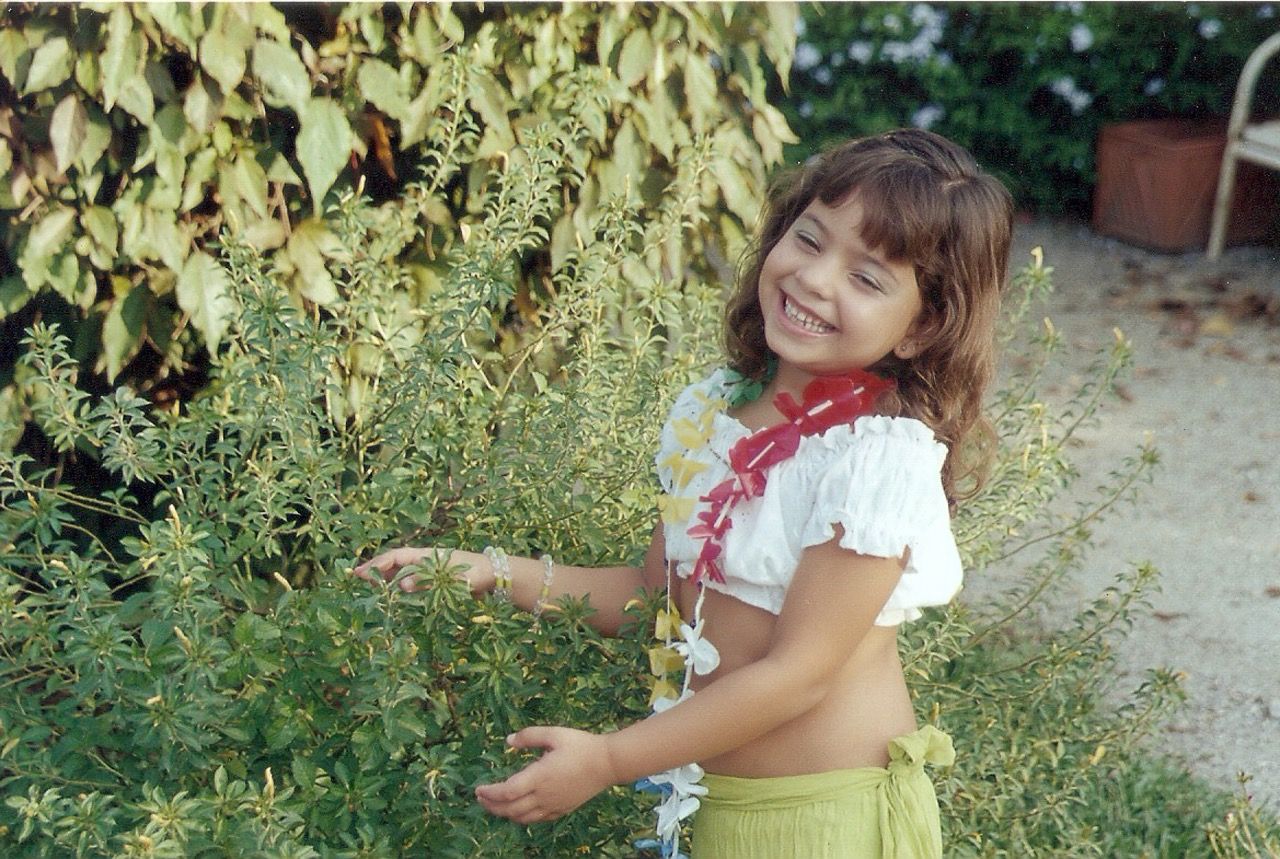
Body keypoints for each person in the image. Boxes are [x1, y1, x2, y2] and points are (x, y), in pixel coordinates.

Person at [355, 128, 1014, 858]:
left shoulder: (873, 462)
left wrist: (607, 760)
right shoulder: (717, 412)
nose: (817, 279)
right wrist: (486, 569)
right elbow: (654, 597)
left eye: (866, 278)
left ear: (923, 326)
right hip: (719, 810)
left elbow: (796, 676)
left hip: (828, 821)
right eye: (809, 239)